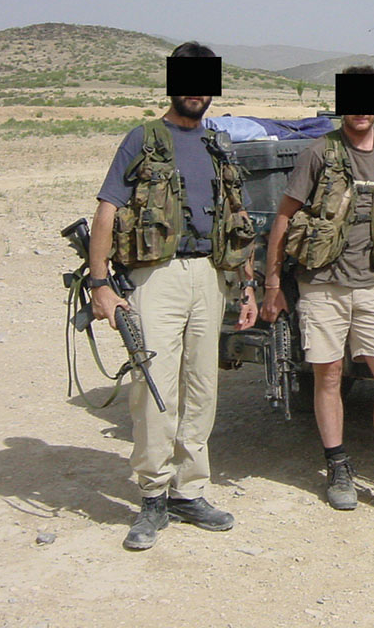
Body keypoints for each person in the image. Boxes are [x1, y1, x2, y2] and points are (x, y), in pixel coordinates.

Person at [89, 41, 258, 550]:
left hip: (209, 274)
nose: (196, 91)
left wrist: (247, 285)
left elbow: (239, 220)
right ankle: (152, 495)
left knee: (202, 386)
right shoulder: (142, 138)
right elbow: (106, 211)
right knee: (154, 386)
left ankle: (190, 490)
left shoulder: (217, 145)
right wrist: (100, 284)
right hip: (155, 276)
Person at [261, 66, 374, 518]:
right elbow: (283, 218)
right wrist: (273, 283)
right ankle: (337, 466)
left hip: (372, 285)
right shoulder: (320, 153)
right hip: (321, 284)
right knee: (329, 374)